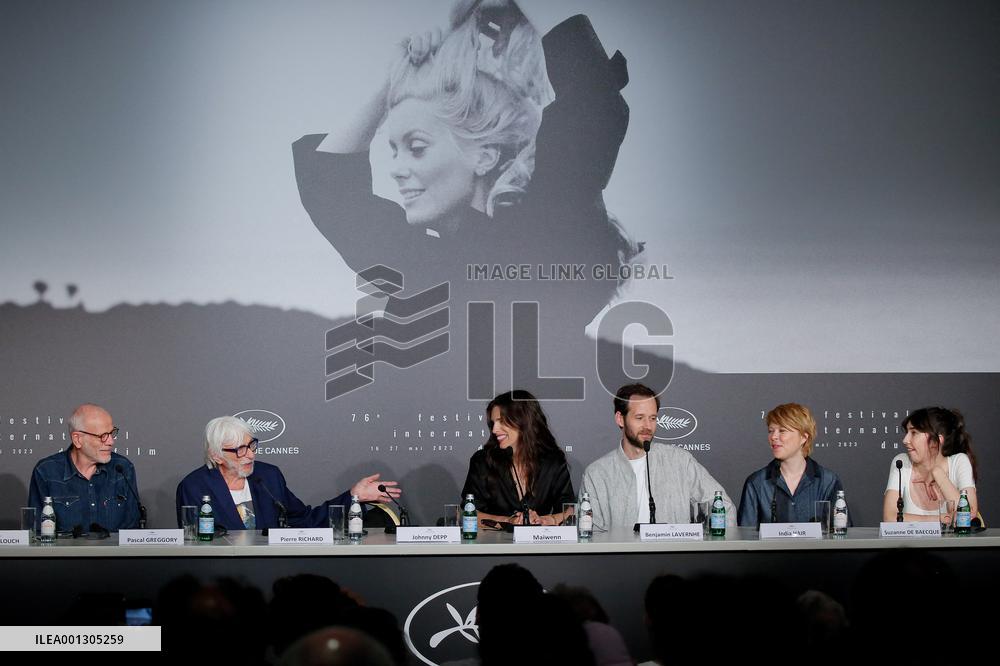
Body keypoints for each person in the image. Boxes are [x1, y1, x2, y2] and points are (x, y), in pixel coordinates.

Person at [293, 1, 637, 333]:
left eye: (417, 148)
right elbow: (329, 190)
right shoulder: (425, 265)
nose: (396, 169)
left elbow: (592, 102)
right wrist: (397, 75)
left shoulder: (548, 230)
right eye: (394, 151)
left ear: (483, 155)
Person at [176, 416, 401, 530]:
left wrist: (354, 496)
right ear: (216, 455)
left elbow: (304, 520)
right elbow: (195, 540)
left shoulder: (268, 476)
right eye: (240, 450)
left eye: (252, 445)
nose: (251, 455)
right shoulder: (194, 486)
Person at [580, 383, 736, 531]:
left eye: (653, 418)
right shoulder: (597, 474)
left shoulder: (680, 461)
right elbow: (592, 533)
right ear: (620, 419)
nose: (648, 426)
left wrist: (708, 549)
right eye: (640, 418)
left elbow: (723, 506)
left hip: (674, 557)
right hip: (621, 558)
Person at [461, 390, 575, 526]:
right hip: (494, 544)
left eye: (501, 421)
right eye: (493, 423)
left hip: (540, 543)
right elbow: (468, 514)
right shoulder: (483, 461)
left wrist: (545, 520)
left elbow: (569, 510)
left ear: (524, 421)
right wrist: (508, 521)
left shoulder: (552, 461)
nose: (494, 429)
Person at [27, 403, 141, 532]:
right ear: (77, 439)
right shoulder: (46, 472)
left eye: (112, 433)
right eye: (103, 436)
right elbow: (37, 533)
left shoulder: (123, 468)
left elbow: (132, 532)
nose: (111, 441)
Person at [737, 403, 846, 526]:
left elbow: (841, 533)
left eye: (782, 431)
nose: (773, 437)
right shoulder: (757, 482)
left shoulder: (828, 481)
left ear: (804, 437)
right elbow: (746, 536)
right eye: (771, 431)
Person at [881, 406, 978, 522]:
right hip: (909, 541)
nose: (905, 440)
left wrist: (937, 473)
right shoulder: (902, 462)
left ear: (936, 441)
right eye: (907, 432)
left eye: (914, 433)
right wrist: (942, 519)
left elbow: (969, 516)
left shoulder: (959, 462)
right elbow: (890, 518)